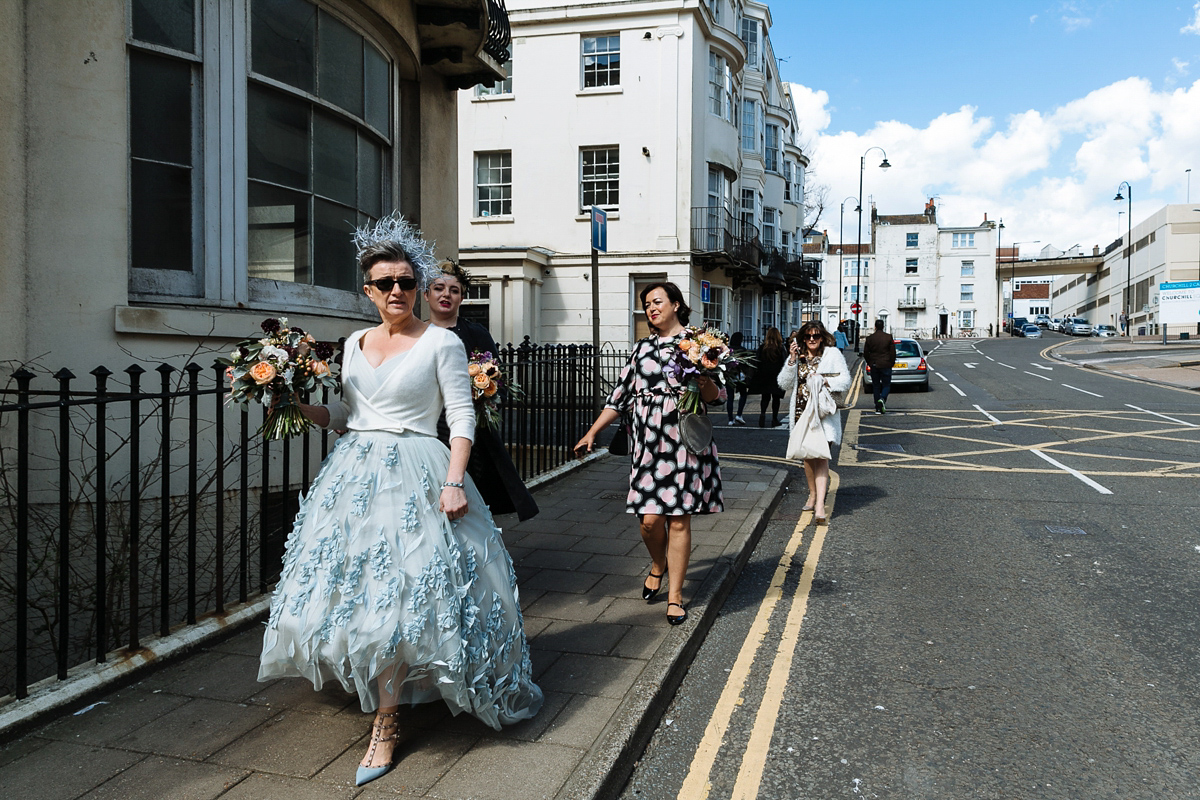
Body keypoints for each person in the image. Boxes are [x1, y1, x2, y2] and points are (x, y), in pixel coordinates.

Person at [257, 215, 543, 787]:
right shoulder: (352, 344)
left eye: (406, 282)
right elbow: (344, 417)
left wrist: (455, 480)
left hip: (419, 470)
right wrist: (291, 403)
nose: (396, 292)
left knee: (405, 592)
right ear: (367, 290)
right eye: (384, 283)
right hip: (354, 477)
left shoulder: (442, 341)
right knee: (360, 593)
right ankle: (389, 687)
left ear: (417, 287)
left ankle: (385, 724)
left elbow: (460, 418)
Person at [573, 282, 724, 626]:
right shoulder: (642, 348)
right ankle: (659, 563)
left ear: (675, 304)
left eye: (657, 302)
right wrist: (592, 432)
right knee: (649, 521)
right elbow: (620, 394)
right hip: (647, 444)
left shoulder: (699, 343)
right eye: (646, 304)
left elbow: (718, 396)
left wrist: (703, 381)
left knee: (679, 519)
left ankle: (675, 596)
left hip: (684, 440)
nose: (650, 308)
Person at [425, 260, 539, 520]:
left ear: (462, 298)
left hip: (469, 432)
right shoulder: (417, 334)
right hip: (429, 429)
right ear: (426, 294)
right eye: (439, 288)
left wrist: (486, 394)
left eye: (454, 290)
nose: (446, 295)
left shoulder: (475, 333)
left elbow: (497, 380)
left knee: (472, 501)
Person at [778, 322, 851, 524]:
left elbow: (845, 381)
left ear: (822, 337)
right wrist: (791, 360)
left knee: (821, 457)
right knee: (808, 458)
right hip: (801, 413)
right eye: (808, 336)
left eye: (816, 336)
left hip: (823, 415)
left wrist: (825, 381)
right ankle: (812, 494)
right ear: (802, 338)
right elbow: (783, 384)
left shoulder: (832, 354)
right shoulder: (798, 357)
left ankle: (820, 505)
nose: (812, 340)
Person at [751, 327, 786, 427]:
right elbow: (784, 362)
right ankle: (774, 419)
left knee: (765, 397)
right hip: (777, 376)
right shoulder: (780, 348)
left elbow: (756, 361)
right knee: (776, 398)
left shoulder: (762, 347)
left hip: (764, 375)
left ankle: (762, 414)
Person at [862, 319, 896, 414]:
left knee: (876, 386)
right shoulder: (888, 337)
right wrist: (891, 363)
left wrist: (870, 362)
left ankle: (877, 407)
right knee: (886, 385)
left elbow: (866, 353)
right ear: (883, 326)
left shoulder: (870, 338)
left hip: (874, 364)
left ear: (875, 327)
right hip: (886, 364)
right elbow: (892, 352)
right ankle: (882, 398)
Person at [725, 331, 750, 426]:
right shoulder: (742, 350)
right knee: (743, 394)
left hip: (730, 375)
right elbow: (746, 364)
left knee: (730, 397)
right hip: (740, 376)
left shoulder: (728, 349)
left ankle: (730, 419)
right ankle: (739, 414)